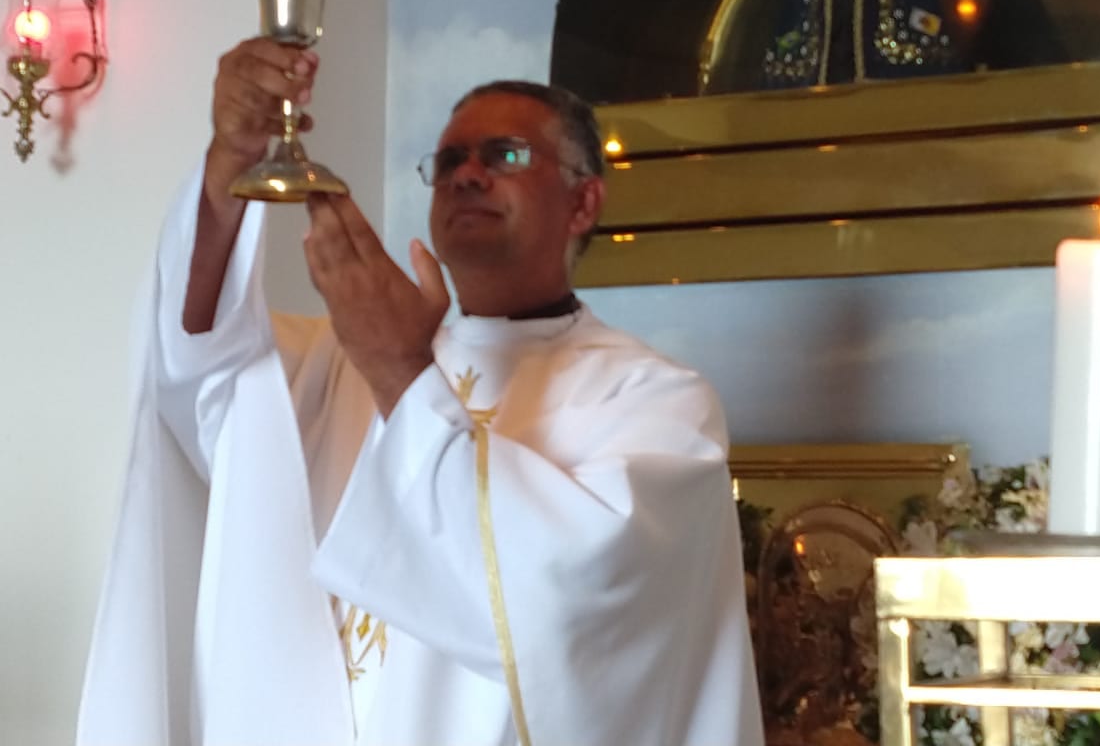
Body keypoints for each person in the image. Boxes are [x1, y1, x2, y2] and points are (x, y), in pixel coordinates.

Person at [76, 37, 762, 746]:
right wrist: (231, 161)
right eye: (448, 161)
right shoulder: (331, 364)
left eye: (505, 155)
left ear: (583, 201)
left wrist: (401, 370)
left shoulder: (654, 401)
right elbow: (191, 364)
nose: (468, 175)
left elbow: (576, 608)